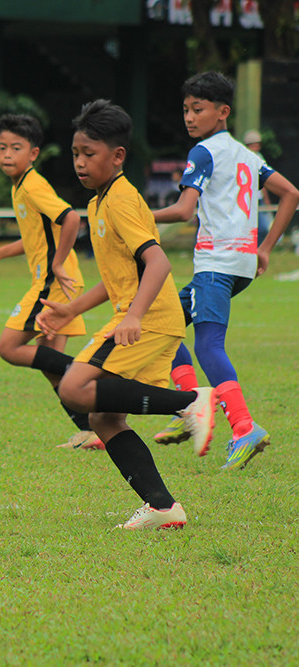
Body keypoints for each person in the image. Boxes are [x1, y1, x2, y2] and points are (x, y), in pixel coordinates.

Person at [36, 99, 217, 530]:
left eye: (89, 154)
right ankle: (163, 507)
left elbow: (158, 263)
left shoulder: (120, 200)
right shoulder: (99, 204)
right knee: (102, 418)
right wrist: (71, 309)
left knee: (76, 389)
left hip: (150, 318)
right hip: (141, 315)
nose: (80, 162)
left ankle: (192, 401)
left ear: (117, 156)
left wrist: (133, 316)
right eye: (76, 153)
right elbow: (118, 275)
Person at [151, 72, 299, 470]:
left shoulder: (205, 151)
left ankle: (243, 425)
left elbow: (184, 210)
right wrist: (264, 249)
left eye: (198, 109)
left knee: (207, 346)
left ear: (222, 112)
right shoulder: (247, 155)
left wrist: (136, 215)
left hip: (216, 263)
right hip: (240, 264)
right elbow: (291, 194)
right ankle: (188, 407)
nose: (189, 117)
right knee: (161, 323)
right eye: (185, 109)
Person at [0, 114, 97, 451]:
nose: (7, 154)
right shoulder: (20, 185)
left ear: (34, 153)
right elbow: (37, 237)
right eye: (1, 148)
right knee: (52, 368)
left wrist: (55, 263)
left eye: (16, 148)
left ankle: (100, 378)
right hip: (62, 281)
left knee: (8, 348)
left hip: (52, 283)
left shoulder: (33, 185)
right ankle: (93, 430)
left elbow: (70, 218)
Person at [242, 129, 272, 245]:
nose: (256, 147)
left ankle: (257, 248)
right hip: (247, 199)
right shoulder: (243, 158)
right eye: (253, 144)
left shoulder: (259, 157)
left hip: (258, 198)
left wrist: (266, 198)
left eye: (257, 144)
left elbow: (264, 180)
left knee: (264, 227)